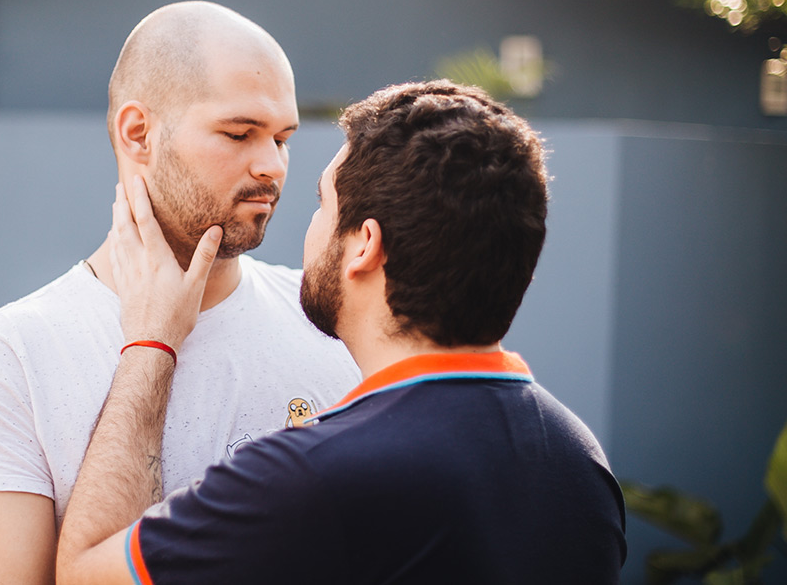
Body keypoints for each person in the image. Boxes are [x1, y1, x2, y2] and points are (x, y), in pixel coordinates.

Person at [56, 80, 628, 584]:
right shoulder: (580, 464)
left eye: (322, 204)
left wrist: (150, 342)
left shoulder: (310, 478)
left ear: (364, 245)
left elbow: (84, 575)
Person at [0, 1, 360, 583]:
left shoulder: (335, 325)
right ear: (139, 134)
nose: (272, 166)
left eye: (282, 138)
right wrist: (153, 348)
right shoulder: (10, 359)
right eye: (239, 133)